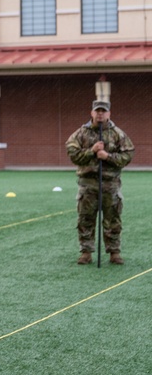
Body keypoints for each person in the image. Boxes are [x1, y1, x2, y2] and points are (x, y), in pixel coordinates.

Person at [65, 99, 134, 265]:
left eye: (103, 111)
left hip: (110, 183)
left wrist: (108, 157)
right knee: (85, 218)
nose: (100, 114)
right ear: (92, 113)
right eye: (97, 111)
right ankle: (86, 252)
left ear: (109, 114)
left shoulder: (118, 134)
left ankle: (114, 252)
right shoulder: (81, 133)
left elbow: (127, 155)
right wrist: (92, 151)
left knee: (113, 219)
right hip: (88, 183)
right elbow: (73, 153)